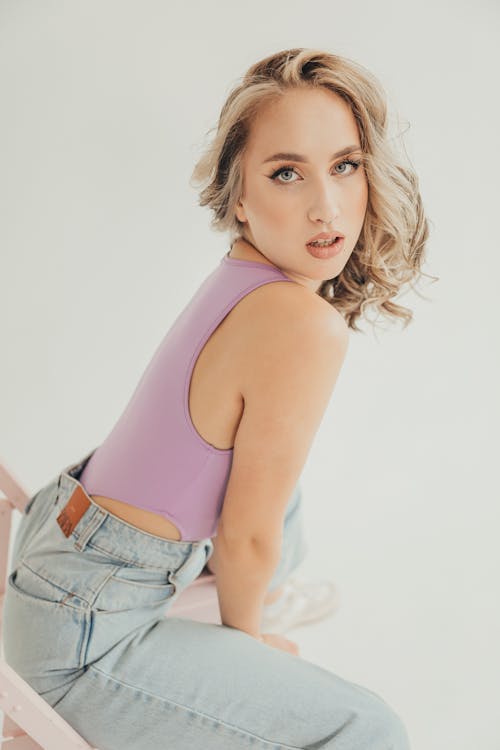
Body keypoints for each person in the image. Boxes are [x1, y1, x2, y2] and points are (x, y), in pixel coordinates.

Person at [3, 47, 429, 749]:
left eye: (345, 165)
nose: (327, 207)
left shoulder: (249, 271)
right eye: (286, 173)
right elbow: (244, 537)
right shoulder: (301, 323)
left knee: (282, 503)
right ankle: (251, 637)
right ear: (239, 195)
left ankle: (255, 614)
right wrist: (250, 648)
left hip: (61, 553)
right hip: (82, 646)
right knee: (370, 728)